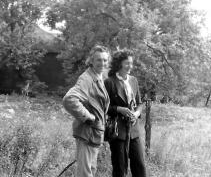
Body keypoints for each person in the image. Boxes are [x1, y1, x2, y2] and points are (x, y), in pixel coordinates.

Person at [62, 45, 110, 177]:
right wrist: (88, 117)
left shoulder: (100, 77)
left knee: (90, 171)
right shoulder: (87, 79)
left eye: (105, 60)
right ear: (91, 61)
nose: (102, 63)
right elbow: (69, 99)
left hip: (95, 134)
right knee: (85, 173)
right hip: (86, 133)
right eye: (99, 60)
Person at [104, 50, 147, 177]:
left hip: (134, 131)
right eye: (127, 63)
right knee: (120, 169)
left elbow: (140, 103)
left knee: (140, 167)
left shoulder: (133, 80)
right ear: (119, 64)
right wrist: (118, 109)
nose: (130, 66)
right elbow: (104, 107)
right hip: (118, 132)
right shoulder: (109, 82)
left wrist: (137, 113)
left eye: (131, 63)